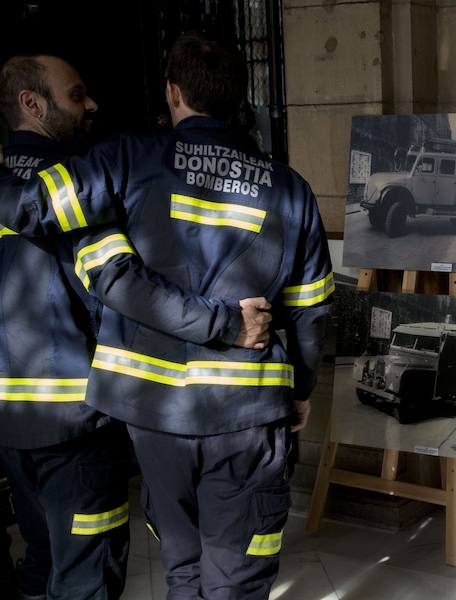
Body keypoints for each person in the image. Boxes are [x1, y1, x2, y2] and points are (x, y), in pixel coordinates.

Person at [0, 34, 332, 598]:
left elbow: (31, 207)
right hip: (248, 411)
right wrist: (300, 388)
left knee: (182, 566)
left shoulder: (127, 159)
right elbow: (310, 308)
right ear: (238, 96)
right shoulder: (291, 189)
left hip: (155, 415)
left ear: (173, 92)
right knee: (237, 574)